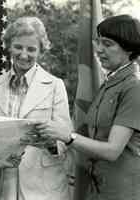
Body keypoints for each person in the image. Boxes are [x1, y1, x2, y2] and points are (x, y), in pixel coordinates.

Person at [28, 14, 140, 200]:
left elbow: (112, 150)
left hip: (122, 192)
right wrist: (53, 140)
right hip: (96, 190)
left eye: (108, 44)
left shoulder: (133, 88)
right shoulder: (109, 83)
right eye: (98, 42)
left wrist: (68, 136)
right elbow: (91, 137)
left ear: (129, 49)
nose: (98, 50)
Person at [0, 16, 74, 200]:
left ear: (41, 51)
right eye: (18, 47)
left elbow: (64, 140)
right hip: (1, 184)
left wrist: (51, 142)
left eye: (31, 49)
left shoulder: (55, 85)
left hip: (41, 187)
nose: (24, 54)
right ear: (8, 46)